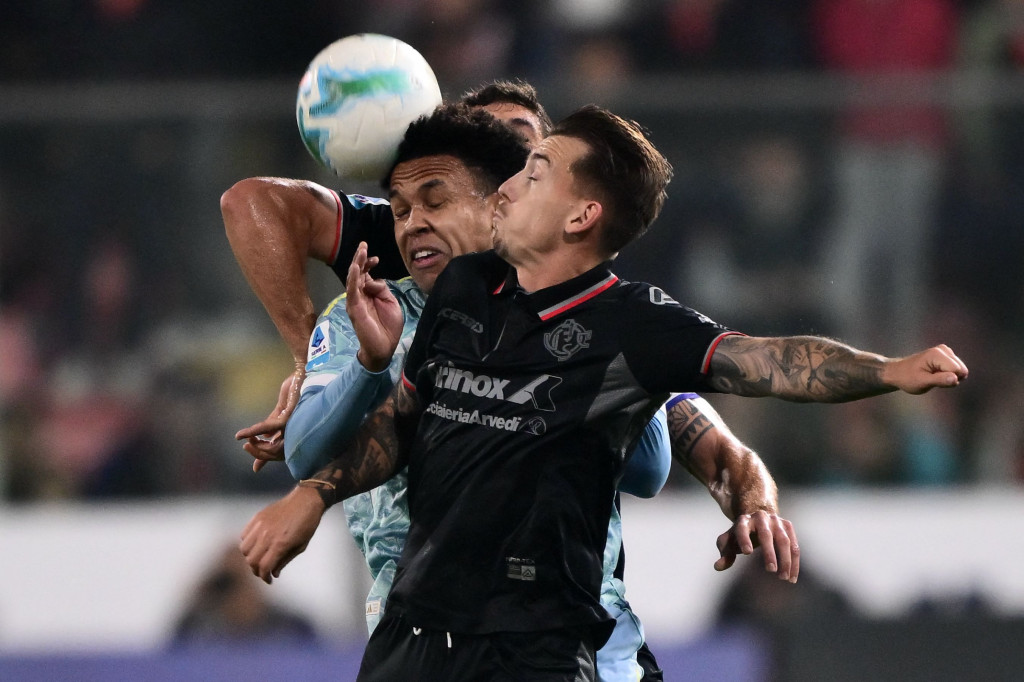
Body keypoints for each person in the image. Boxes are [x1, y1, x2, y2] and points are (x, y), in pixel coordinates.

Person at [239, 104, 966, 680]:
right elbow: (401, 420)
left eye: (535, 172)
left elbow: (768, 362)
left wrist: (889, 370)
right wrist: (314, 495)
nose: (512, 185)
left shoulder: (633, 326)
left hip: (537, 646)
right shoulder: (463, 288)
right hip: (413, 636)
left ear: (580, 215)